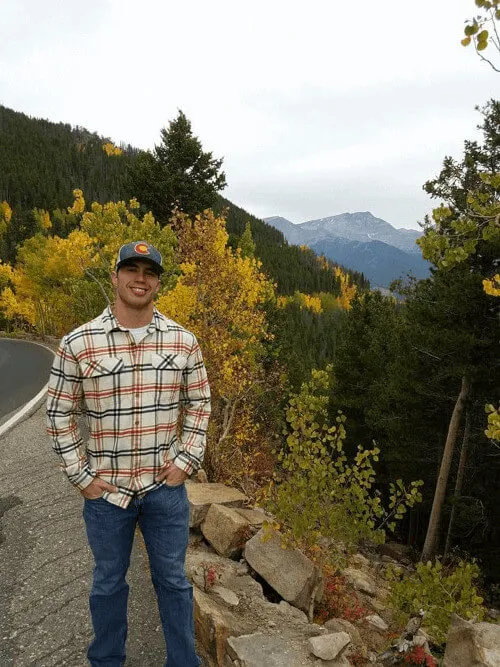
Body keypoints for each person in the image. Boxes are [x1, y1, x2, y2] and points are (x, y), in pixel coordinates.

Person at [47, 240, 211, 667]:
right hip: (107, 494)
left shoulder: (184, 341)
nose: (141, 279)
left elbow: (200, 403)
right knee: (107, 583)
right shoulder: (79, 343)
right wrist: (80, 476)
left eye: (150, 272)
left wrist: (186, 460)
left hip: (164, 489)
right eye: (132, 270)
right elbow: (57, 411)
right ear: (116, 276)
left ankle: (183, 662)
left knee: (173, 581)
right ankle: (106, 661)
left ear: (158, 282)